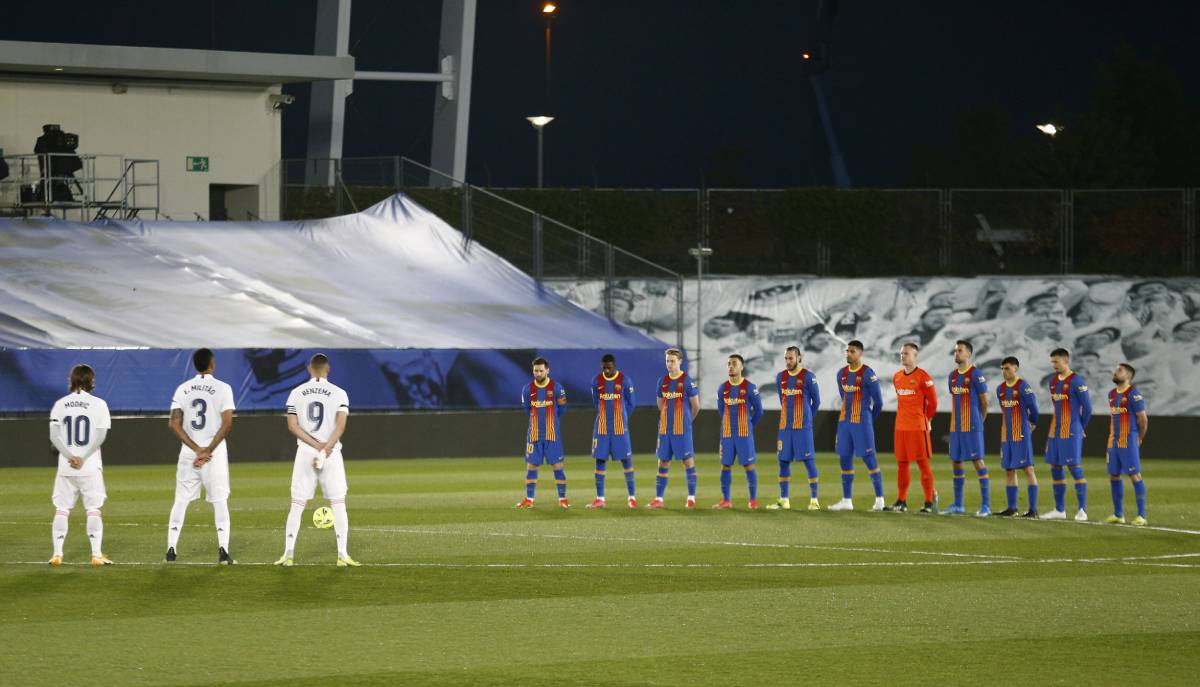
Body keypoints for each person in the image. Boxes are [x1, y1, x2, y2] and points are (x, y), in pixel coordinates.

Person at [274, 354, 360, 567]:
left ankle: (288, 555)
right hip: (331, 454)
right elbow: (340, 427)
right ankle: (342, 555)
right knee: (338, 503)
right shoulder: (339, 393)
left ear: (309, 368)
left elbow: (292, 426)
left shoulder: (296, 393)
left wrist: (315, 446)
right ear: (327, 368)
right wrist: (325, 448)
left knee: (297, 504)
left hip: (305, 453)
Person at [165, 348, 237, 564]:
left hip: (189, 453)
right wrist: (207, 450)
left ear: (195, 365)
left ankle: (171, 549)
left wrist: (196, 450)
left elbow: (173, 424)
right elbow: (227, 423)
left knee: (181, 499)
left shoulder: (183, 389)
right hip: (214, 454)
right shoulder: (223, 388)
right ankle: (223, 551)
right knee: (220, 501)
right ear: (212, 364)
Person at [47, 364, 113, 566]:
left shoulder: (60, 404)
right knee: (93, 509)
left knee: (62, 509)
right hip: (90, 466)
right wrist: (82, 457)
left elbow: (53, 436)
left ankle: (57, 554)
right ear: (91, 381)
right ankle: (95, 555)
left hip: (66, 467)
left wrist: (70, 455)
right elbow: (101, 435)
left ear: (72, 380)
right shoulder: (99, 404)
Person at [828, 341, 886, 512]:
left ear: (860, 353)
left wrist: (867, 419)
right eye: (847, 351)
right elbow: (843, 396)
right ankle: (847, 501)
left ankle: (880, 500)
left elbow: (879, 402)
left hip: (861, 423)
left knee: (869, 459)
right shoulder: (842, 374)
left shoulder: (868, 373)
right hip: (844, 423)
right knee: (844, 458)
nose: (848, 354)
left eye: (852, 351)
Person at [1040, 348, 1094, 521]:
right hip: (1056, 431)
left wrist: (1080, 427)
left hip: (1071, 430)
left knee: (1074, 468)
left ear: (1066, 360)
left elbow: (1088, 408)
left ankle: (1082, 510)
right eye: (1052, 362)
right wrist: (1050, 435)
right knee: (1055, 467)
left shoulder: (1077, 381)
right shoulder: (1053, 382)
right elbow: (1056, 408)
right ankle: (1059, 510)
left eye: (1056, 362)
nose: (1054, 365)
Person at [767, 346, 821, 511]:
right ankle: (784, 500)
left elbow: (816, 402)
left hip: (802, 427)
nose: (788, 361)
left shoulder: (808, 377)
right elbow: (782, 399)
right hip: (785, 428)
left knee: (808, 461)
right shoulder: (780, 377)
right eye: (786, 358)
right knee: (783, 461)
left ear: (799, 358)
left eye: (791, 358)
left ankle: (814, 500)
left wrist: (806, 420)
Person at [942, 340, 992, 516]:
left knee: (977, 461)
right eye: (955, 350)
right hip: (956, 427)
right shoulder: (952, 376)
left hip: (972, 425)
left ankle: (986, 506)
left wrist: (980, 420)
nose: (956, 353)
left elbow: (985, 401)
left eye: (960, 350)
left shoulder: (976, 374)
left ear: (968, 354)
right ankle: (958, 504)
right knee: (956, 461)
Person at [889, 342, 938, 513]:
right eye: (901, 353)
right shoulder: (897, 377)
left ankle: (929, 502)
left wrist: (927, 420)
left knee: (922, 463)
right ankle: (901, 501)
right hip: (900, 427)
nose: (903, 356)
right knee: (902, 464)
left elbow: (933, 403)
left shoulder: (923, 377)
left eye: (906, 354)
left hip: (917, 427)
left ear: (915, 356)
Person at [649, 349, 700, 508]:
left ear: (680, 362)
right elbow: (660, 404)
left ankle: (691, 498)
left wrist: (686, 421)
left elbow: (696, 406)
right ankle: (659, 499)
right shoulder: (662, 381)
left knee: (687, 461)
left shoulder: (687, 381)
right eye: (667, 361)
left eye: (672, 361)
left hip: (682, 430)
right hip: (665, 430)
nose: (669, 364)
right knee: (663, 462)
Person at [515, 357, 569, 509]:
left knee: (558, 467)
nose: (538, 373)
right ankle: (529, 500)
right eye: (535, 371)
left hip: (552, 435)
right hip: (534, 435)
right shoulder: (527, 389)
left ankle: (563, 499)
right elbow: (527, 410)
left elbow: (562, 409)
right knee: (531, 467)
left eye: (540, 370)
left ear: (547, 370)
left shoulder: (557, 388)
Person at [587, 354, 638, 509]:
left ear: (614, 365)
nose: (607, 370)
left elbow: (631, 403)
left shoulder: (624, 380)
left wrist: (621, 418)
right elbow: (596, 402)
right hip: (601, 428)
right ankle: (600, 498)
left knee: (626, 461)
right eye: (604, 367)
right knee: (600, 460)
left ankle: (632, 497)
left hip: (619, 428)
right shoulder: (596, 381)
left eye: (609, 367)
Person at [713, 354, 763, 509]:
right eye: (728, 363)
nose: (730, 366)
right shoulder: (723, 388)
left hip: (744, 434)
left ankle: (753, 500)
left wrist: (747, 426)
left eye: (734, 363)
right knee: (725, 466)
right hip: (727, 434)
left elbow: (759, 412)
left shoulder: (749, 387)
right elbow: (721, 411)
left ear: (742, 367)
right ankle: (726, 500)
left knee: (748, 466)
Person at [995, 357, 1040, 517]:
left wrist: (1032, 423)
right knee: (1009, 470)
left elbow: (1034, 408)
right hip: (1006, 434)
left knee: (1028, 469)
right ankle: (1012, 508)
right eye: (1002, 368)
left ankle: (1033, 509)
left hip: (1020, 433)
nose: (1004, 371)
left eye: (1007, 368)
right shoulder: (1000, 389)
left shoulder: (1023, 387)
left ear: (1015, 368)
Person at [1105, 363, 1149, 525]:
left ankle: (1141, 516)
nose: (1115, 372)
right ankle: (1118, 514)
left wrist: (1139, 437)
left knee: (1134, 475)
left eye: (1119, 370)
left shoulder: (1133, 394)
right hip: (1113, 442)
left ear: (1128, 376)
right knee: (1114, 475)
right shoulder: (1111, 394)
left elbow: (1143, 419)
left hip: (1128, 440)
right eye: (1115, 369)